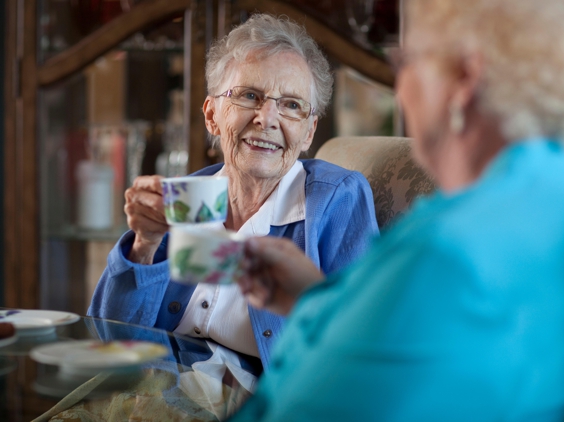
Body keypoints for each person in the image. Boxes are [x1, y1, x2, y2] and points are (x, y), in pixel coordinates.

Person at [230, 0, 564, 420]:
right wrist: (317, 302)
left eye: (404, 62)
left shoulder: (443, 256)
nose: (401, 89)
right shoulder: (554, 199)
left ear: (463, 78)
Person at [88, 14, 378, 369]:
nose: (267, 118)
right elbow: (113, 339)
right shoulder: (191, 197)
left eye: (291, 105)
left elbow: (363, 349)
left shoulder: (332, 201)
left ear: (308, 131)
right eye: (249, 96)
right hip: (155, 396)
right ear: (212, 116)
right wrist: (144, 245)